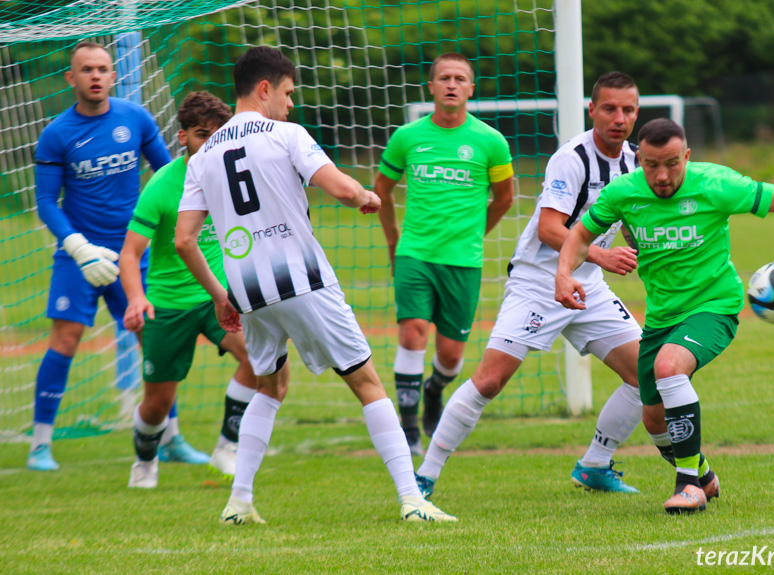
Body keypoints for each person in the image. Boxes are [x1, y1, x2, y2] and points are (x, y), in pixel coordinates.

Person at [175, 46, 456, 524]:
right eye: (287, 93)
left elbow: (184, 240)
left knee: (269, 387)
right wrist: (367, 196)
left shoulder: (203, 156)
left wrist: (222, 297)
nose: (290, 104)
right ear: (264, 89)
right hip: (303, 280)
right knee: (366, 382)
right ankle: (413, 500)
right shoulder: (287, 135)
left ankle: (239, 502)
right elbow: (343, 189)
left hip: (248, 293)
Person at [555, 118, 774, 514]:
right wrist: (564, 275)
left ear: (686, 156)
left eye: (671, 163)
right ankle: (703, 476)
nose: (662, 175)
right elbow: (579, 234)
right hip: (663, 316)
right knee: (654, 420)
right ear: (639, 160)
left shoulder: (717, 185)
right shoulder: (623, 193)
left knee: (670, 368)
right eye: (651, 165)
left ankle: (688, 488)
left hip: (713, 306)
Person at [414, 72, 651, 498]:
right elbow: (548, 229)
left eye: (628, 110)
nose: (619, 117)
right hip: (538, 281)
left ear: (637, 114)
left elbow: (635, 223)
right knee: (489, 381)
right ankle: (425, 477)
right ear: (592, 110)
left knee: (645, 375)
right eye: (610, 108)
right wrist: (600, 254)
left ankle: (594, 465)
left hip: (589, 287)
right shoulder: (572, 157)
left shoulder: (636, 162)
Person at [28, 40, 192, 471]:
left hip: (132, 256)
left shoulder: (134, 118)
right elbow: (46, 201)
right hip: (78, 257)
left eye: (102, 68)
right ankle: (40, 445)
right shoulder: (56, 133)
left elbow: (170, 174)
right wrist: (77, 246)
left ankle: (171, 439)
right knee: (65, 340)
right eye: (86, 70)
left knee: (153, 340)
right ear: (71, 78)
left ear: (114, 75)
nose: (95, 76)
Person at [374, 52, 514, 456]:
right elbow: (380, 191)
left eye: (460, 79)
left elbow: (504, 200)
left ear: (472, 89)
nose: (452, 84)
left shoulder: (490, 142)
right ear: (430, 87)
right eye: (444, 78)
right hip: (414, 255)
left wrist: (473, 234)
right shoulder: (407, 137)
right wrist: (393, 239)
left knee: (451, 357)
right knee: (412, 332)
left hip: (463, 262)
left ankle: (435, 390)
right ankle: (409, 433)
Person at [119, 91, 258, 488]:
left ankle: (227, 445)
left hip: (221, 298)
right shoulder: (163, 187)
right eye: (201, 135)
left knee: (259, 358)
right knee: (157, 405)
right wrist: (136, 298)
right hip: (169, 304)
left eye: (218, 135)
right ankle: (145, 459)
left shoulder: (234, 177)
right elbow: (129, 255)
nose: (211, 144)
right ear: (182, 137)